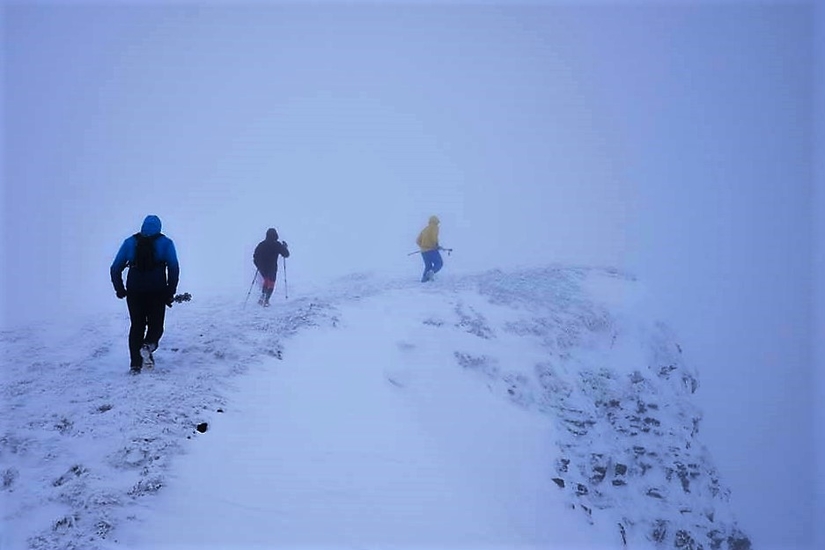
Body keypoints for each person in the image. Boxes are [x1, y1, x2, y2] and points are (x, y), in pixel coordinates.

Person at [110, 215, 180, 375]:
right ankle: (147, 347)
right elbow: (174, 268)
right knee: (156, 326)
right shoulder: (166, 243)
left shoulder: (130, 242)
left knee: (137, 326)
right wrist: (170, 291)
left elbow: (115, 267)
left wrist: (119, 289)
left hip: (134, 291)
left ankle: (135, 365)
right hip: (157, 291)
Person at [253, 227, 290, 306]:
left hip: (263, 267)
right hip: (272, 267)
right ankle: (266, 300)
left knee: (266, 281)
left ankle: (262, 297)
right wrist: (285, 247)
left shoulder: (261, 244)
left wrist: (258, 265)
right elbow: (286, 254)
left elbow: (255, 256)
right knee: (271, 283)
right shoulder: (277, 245)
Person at [416, 215, 444, 282]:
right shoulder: (434, 227)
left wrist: (423, 246)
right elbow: (433, 237)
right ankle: (432, 272)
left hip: (423, 251)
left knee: (428, 266)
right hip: (432, 250)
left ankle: (424, 280)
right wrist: (436, 245)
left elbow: (417, 241)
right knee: (439, 263)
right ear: (436, 221)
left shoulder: (425, 229)